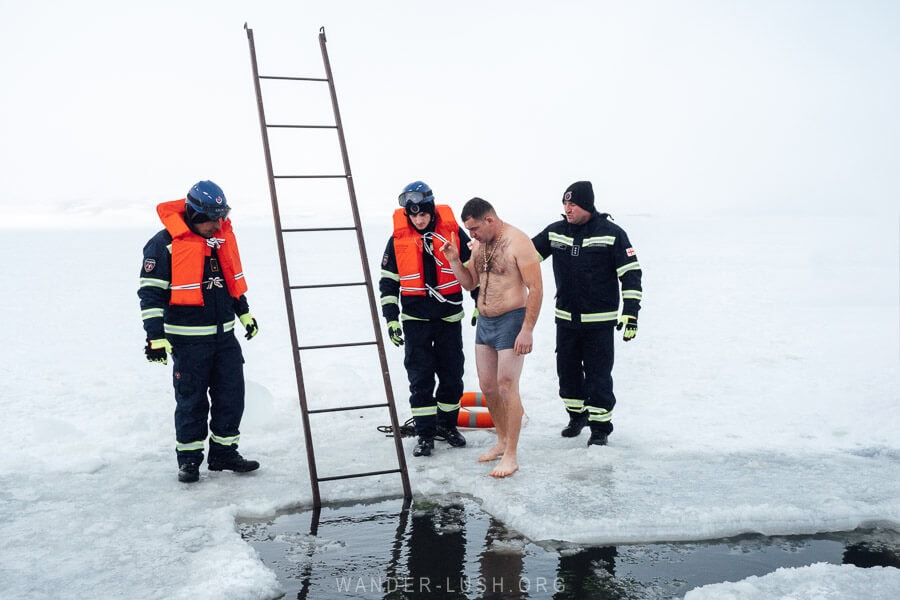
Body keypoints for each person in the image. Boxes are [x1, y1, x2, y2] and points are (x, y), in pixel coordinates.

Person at [138, 180, 261, 483]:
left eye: (219, 218)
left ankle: (224, 453)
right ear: (193, 214)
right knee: (192, 401)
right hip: (188, 341)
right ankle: (190, 461)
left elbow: (231, 282)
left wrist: (244, 313)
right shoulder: (163, 244)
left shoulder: (220, 240)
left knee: (232, 397)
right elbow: (150, 294)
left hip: (225, 339)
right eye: (208, 218)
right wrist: (155, 337)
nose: (214, 224)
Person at [531, 181, 642, 447]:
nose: (568, 209)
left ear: (587, 205)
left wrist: (631, 313)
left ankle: (600, 428)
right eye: (565, 204)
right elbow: (526, 256)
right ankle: (577, 416)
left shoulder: (612, 233)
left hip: (599, 323)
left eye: (573, 204)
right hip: (566, 321)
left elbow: (630, 274)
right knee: (566, 374)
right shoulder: (555, 232)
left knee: (598, 377)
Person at [441, 197, 543, 477]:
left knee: (507, 385)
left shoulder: (518, 242)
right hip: (485, 321)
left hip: (512, 321)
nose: (470, 235)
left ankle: (511, 454)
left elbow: (536, 289)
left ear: (489, 219)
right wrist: (453, 260)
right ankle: (501, 441)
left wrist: (527, 329)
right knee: (488, 386)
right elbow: (469, 283)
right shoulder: (480, 245)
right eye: (468, 230)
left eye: (474, 229)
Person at [379, 181, 477, 458]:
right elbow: (388, 284)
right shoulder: (396, 241)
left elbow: (473, 271)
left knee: (452, 375)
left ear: (432, 211)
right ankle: (424, 433)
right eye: (414, 215)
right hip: (415, 320)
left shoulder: (453, 234)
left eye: (423, 214)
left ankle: (446, 426)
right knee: (420, 378)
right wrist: (391, 320)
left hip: (448, 318)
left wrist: (479, 303)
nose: (419, 219)